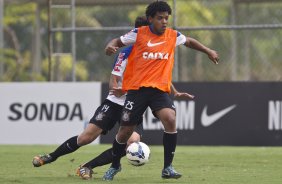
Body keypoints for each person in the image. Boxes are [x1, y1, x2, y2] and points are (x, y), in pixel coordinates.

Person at [102, 1, 219, 181]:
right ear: (150, 19)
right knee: (124, 132)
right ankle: (115, 165)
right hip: (137, 90)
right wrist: (111, 45)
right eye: (160, 18)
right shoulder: (139, 34)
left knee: (170, 118)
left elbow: (189, 41)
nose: (164, 21)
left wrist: (208, 50)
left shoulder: (172, 35)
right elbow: (117, 41)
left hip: (159, 90)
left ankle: (167, 168)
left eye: (166, 18)